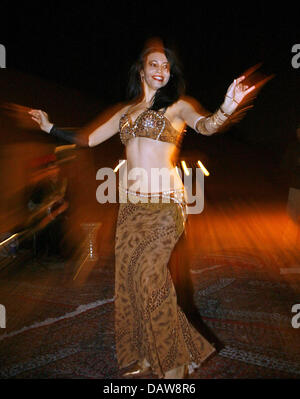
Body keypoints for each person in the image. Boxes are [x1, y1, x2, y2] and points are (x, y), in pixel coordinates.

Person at [29, 39, 256, 379]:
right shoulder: (124, 113)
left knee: (150, 277)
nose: (161, 70)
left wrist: (226, 108)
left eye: (166, 66)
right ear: (141, 70)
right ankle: (145, 357)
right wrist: (50, 127)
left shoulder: (178, 106)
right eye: (154, 64)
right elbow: (88, 139)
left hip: (166, 205)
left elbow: (207, 126)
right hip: (130, 209)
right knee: (130, 283)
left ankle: (175, 364)